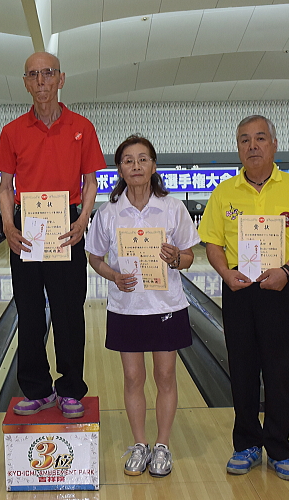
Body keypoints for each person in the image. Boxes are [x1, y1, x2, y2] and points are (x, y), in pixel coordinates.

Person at [198, 115, 289, 481]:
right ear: (238, 147)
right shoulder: (224, 192)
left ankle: (280, 448)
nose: (252, 145)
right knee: (241, 370)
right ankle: (246, 444)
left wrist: (287, 271)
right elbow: (213, 243)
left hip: (283, 287)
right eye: (245, 140)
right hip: (239, 288)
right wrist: (225, 274)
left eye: (260, 138)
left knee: (280, 370)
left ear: (274, 144)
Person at [0, 52, 105, 418]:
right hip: (26, 227)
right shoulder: (12, 131)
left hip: (66, 225)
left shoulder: (82, 127)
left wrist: (83, 219)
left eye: (47, 73)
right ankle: (38, 389)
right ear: (25, 82)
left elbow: (91, 181)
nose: (41, 81)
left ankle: (70, 389)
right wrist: (8, 225)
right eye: (33, 75)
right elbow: (6, 186)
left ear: (61, 79)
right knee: (28, 312)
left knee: (68, 311)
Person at [86, 135, 199, 477]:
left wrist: (176, 257)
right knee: (133, 378)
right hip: (126, 307)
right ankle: (140, 444)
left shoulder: (172, 208)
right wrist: (113, 275)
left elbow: (189, 256)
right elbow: (94, 257)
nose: (136, 166)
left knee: (165, 376)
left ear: (153, 166)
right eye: (128, 160)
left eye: (142, 159)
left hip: (166, 306)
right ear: (120, 169)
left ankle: (162, 445)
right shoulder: (109, 213)